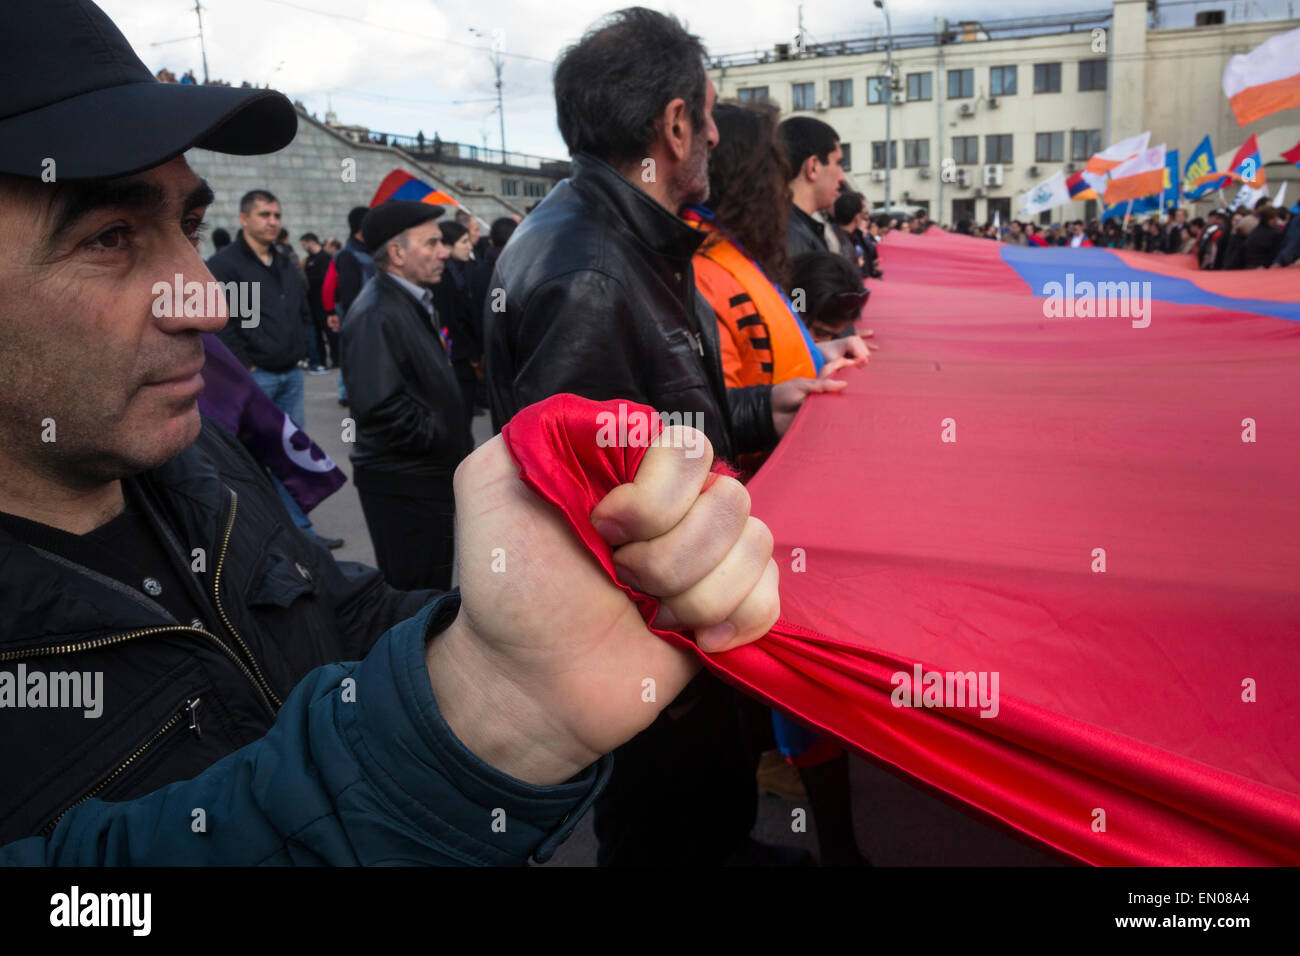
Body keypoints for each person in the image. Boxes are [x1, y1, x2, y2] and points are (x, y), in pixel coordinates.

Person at [0, 0, 776, 866]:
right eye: (109, 238)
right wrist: (485, 714)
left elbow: (336, 612)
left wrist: (521, 636)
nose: (207, 302)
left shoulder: (195, 461)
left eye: (184, 226)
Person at [486, 6, 836, 867]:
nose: (720, 135)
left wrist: (764, 408)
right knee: (666, 827)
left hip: (665, 654)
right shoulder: (592, 272)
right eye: (710, 115)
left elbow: (655, 430)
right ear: (676, 125)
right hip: (651, 659)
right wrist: (672, 678)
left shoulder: (621, 240)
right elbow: (595, 510)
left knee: (695, 816)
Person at [341, 203, 472, 592]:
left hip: (420, 481)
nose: (444, 251)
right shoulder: (376, 313)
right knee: (416, 596)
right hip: (406, 487)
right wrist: (443, 435)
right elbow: (381, 410)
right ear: (397, 254)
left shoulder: (406, 300)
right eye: (431, 243)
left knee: (428, 587)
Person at [207, 189, 343, 550]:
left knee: (291, 454)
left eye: (277, 215)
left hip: (290, 374)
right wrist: (245, 364)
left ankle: (302, 535)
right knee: (251, 459)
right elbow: (222, 321)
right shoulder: (226, 264)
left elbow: (298, 307)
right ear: (244, 219)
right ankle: (258, 541)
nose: (272, 222)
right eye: (264, 214)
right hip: (255, 378)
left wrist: (299, 346)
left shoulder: (283, 259)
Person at [432, 219, 483, 431]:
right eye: (463, 242)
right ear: (448, 246)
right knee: (458, 422)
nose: (469, 246)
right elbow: (450, 321)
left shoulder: (463, 271)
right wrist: (472, 354)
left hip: (465, 356)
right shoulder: (442, 278)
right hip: (456, 358)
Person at [325, 206, 376, 407]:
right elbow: (349, 295)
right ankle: (347, 393)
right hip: (359, 319)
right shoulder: (349, 255)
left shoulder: (368, 252)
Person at [779, 115, 844, 258]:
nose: (842, 178)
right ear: (813, 167)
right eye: (838, 163)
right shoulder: (793, 237)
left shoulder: (793, 228)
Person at [300, 232, 332, 371]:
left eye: (304, 244)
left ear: (311, 242)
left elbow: (325, 279)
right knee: (317, 334)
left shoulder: (324, 258)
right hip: (312, 301)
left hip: (323, 301)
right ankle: (322, 360)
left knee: (329, 331)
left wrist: (307, 280)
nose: (303, 247)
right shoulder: (309, 260)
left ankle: (337, 359)